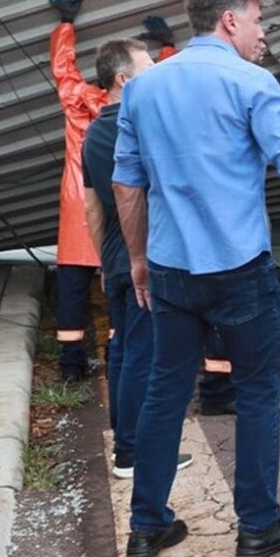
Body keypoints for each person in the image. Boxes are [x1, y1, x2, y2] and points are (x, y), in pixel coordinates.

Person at [114, 0, 280, 557]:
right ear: (231, 19)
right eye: (260, 21)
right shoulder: (251, 81)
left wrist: (138, 259)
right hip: (239, 270)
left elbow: (127, 184)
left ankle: (148, 524)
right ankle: (258, 525)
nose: (264, 34)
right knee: (258, 391)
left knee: (165, 391)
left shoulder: (143, 89)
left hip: (170, 269)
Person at [79, 37, 195, 479]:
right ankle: (133, 452)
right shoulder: (139, 128)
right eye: (148, 68)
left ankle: (123, 439)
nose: (156, 75)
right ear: (123, 81)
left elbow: (92, 207)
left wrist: (105, 264)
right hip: (143, 254)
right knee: (145, 354)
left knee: (125, 350)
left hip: (115, 256)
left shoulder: (92, 135)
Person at [46, 0, 107, 382]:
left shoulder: (78, 104)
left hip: (75, 207)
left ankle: (72, 365)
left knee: (71, 289)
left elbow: (64, 71)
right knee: (119, 286)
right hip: (113, 208)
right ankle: (119, 357)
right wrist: (169, 48)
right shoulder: (125, 109)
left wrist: (66, 24)